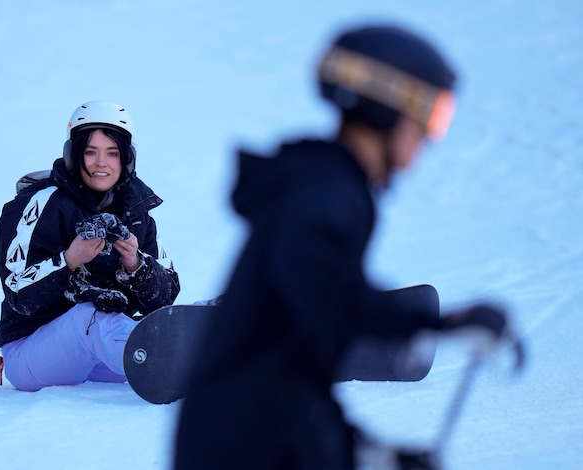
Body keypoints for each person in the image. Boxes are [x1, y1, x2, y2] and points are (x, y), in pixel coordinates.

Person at [174, 25, 518, 469]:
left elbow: (295, 363)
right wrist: (441, 323)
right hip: (240, 445)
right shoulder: (326, 194)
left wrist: (367, 452)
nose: (430, 137)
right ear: (386, 107)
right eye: (431, 115)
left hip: (247, 433)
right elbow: (330, 298)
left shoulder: (322, 186)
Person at [0, 100, 180, 392]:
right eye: (90, 152)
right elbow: (18, 292)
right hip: (30, 353)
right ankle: (172, 368)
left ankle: (214, 351)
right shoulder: (42, 204)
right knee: (90, 315)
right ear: (73, 156)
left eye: (112, 153)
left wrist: (136, 264)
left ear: (127, 159)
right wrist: (69, 260)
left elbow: (164, 300)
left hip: (97, 356)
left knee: (152, 324)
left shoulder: (136, 211)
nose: (101, 163)